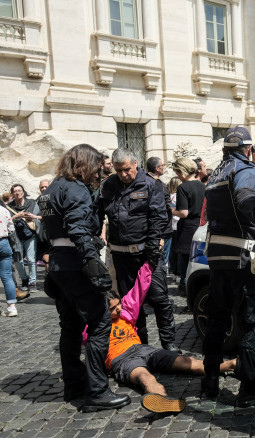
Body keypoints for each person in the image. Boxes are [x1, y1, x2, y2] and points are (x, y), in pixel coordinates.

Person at [38, 143, 131, 411]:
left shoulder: (53, 187)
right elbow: (78, 229)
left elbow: (47, 233)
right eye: (95, 165)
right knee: (99, 322)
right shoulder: (75, 188)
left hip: (58, 265)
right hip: (75, 264)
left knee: (70, 326)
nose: (97, 171)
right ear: (85, 164)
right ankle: (97, 392)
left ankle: (74, 384)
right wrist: (92, 262)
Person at [202, 126, 255, 407]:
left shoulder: (216, 174)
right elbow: (246, 199)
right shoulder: (245, 170)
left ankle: (210, 382)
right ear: (248, 149)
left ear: (226, 149)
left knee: (217, 320)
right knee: (250, 322)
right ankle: (250, 387)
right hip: (243, 259)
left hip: (217, 259)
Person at [102, 263, 236, 414]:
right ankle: (163, 400)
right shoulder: (94, 325)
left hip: (143, 349)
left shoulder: (125, 311)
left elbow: (139, 288)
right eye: (113, 309)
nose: (118, 309)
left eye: (118, 304)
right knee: (145, 377)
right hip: (122, 359)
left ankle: (231, 365)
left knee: (185, 361)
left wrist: (149, 264)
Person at [98, 148, 179, 353]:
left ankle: (168, 343)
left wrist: (152, 251)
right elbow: (98, 213)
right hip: (121, 254)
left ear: (135, 163)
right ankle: (139, 343)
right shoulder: (108, 185)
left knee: (159, 298)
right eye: (118, 171)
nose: (124, 174)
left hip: (146, 254)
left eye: (126, 169)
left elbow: (158, 217)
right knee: (130, 304)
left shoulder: (151, 184)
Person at [171, 158, 205, 293]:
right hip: (201, 225)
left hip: (187, 228)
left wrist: (172, 210)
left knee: (186, 263)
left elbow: (184, 213)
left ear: (182, 171)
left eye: (178, 173)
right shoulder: (203, 186)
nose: (178, 176)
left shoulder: (183, 187)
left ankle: (187, 292)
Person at [7, 183, 40, 291]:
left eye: (19, 190)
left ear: (23, 192)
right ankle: (24, 279)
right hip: (16, 237)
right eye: (15, 191)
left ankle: (32, 282)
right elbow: (6, 221)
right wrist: (17, 216)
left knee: (31, 259)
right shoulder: (9, 206)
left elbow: (40, 216)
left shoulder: (31, 203)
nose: (17, 192)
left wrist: (33, 217)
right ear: (12, 193)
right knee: (18, 261)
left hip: (30, 235)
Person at [146, 156, 174, 271]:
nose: (163, 168)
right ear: (157, 168)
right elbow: (167, 206)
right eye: (162, 166)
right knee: (161, 259)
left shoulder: (143, 181)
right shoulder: (159, 184)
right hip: (163, 228)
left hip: (148, 227)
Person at [0, 201, 26, 316]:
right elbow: (11, 229)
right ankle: (12, 308)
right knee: (7, 276)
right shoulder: (4, 210)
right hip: (4, 242)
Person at [166, 177, 181, 277]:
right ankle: (177, 270)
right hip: (177, 224)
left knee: (172, 249)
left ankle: (172, 268)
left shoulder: (169, 196)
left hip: (171, 225)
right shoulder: (178, 196)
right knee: (178, 249)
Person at [36, 179, 51, 271]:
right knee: (46, 257)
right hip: (41, 233)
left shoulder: (55, 198)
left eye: (46, 186)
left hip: (52, 232)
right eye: (42, 187)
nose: (44, 189)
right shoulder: (37, 200)